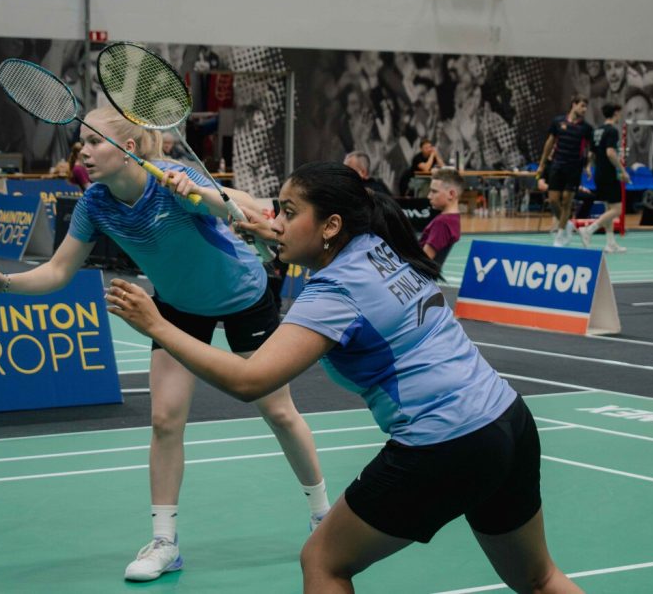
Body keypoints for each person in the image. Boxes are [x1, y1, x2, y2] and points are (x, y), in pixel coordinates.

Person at [108, 162, 583, 594]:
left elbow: (250, 380)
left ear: (331, 225)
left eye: (289, 213)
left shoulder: (334, 293)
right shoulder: (375, 245)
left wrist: (157, 326)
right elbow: (313, 245)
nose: (277, 222)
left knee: (323, 561)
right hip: (509, 421)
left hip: (445, 441)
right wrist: (278, 233)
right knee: (539, 579)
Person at [0, 106, 328, 582]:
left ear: (128, 148)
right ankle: (165, 541)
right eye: (83, 142)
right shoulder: (95, 204)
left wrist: (200, 194)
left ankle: (322, 516)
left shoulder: (170, 179)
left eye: (94, 142)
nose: (84, 152)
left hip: (243, 296)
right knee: (164, 420)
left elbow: (239, 204)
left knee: (279, 412)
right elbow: (58, 271)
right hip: (176, 307)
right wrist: (4, 283)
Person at [538, 95, 593, 247]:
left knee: (567, 200)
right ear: (574, 104)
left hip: (574, 168)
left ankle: (560, 234)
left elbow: (590, 150)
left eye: (586, 107)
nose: (584, 109)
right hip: (557, 165)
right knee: (553, 200)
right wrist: (542, 164)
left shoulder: (586, 128)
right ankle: (567, 223)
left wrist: (588, 166)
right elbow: (549, 143)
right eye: (582, 106)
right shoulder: (558, 122)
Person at [579, 103, 629, 253]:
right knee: (617, 210)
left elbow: (591, 153)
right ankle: (589, 229)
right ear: (616, 113)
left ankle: (610, 243)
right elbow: (610, 153)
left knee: (609, 209)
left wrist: (588, 166)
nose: (620, 116)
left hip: (599, 173)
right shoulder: (612, 130)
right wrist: (622, 171)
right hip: (608, 174)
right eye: (619, 113)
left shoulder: (597, 130)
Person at [419, 167, 463, 266]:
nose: (429, 196)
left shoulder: (442, 223)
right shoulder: (454, 218)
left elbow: (423, 261)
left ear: (451, 194)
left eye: (434, 191)